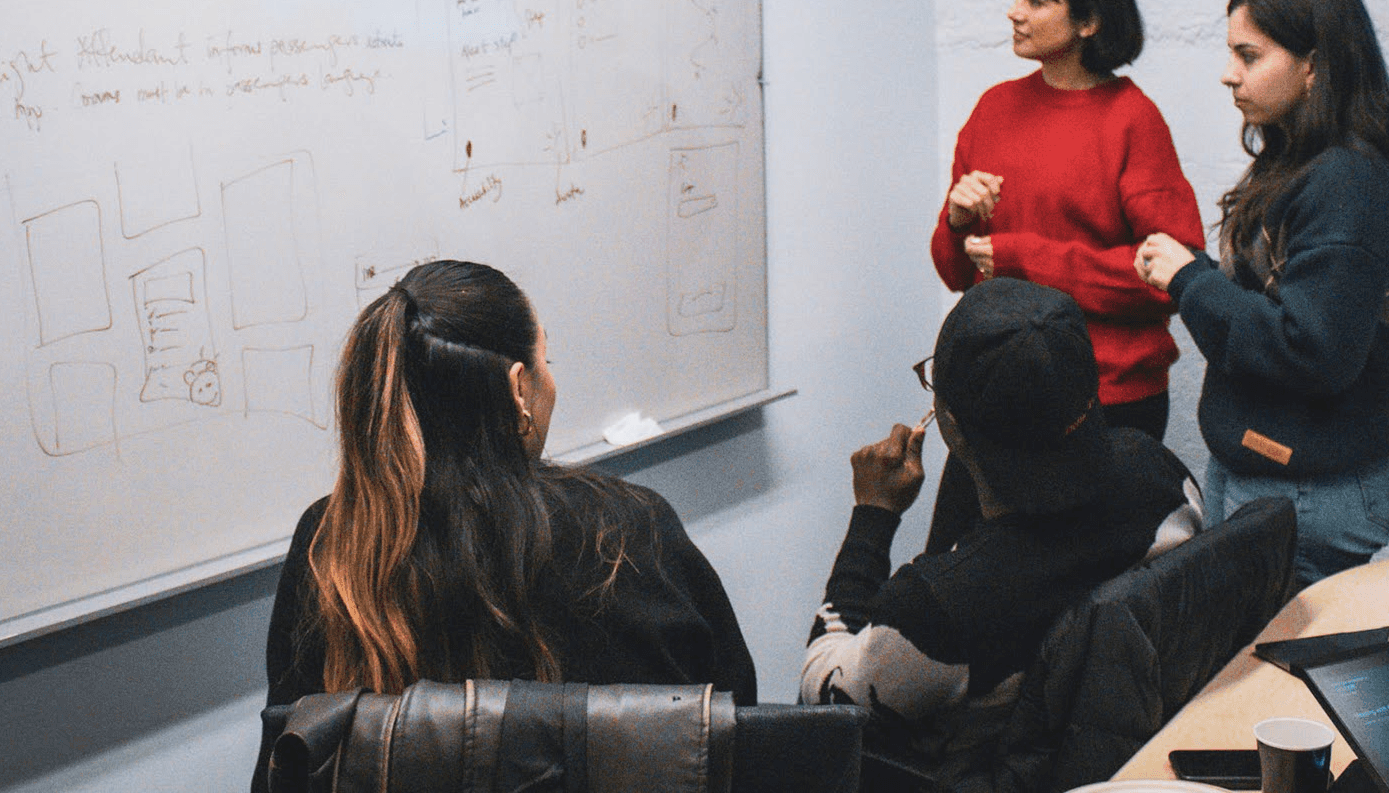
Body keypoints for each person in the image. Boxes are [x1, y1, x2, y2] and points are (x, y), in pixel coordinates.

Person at [265, 259, 757, 705]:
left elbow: (290, 752)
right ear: (518, 386)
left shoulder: (334, 541)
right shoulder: (629, 530)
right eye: (547, 359)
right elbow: (731, 726)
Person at [801, 279, 1201, 766]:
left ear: (950, 425)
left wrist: (872, 516)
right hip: (1139, 759)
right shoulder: (1160, 472)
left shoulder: (939, 610)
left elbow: (823, 705)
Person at [1136, 0, 1389, 587]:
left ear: (1315, 67)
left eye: (1249, 55)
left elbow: (1314, 351)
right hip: (1275, 472)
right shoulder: (1303, 163)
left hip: (1311, 490)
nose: (1229, 73)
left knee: (1273, 669)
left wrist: (1190, 279)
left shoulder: (1345, 182)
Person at [933, 0, 1203, 441]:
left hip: (1104, 398)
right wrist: (957, 219)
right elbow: (954, 272)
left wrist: (1027, 260)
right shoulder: (994, 107)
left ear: (1088, 21)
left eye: (1035, 1)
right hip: (997, 388)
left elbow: (1169, 275)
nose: (1014, 13)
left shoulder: (1131, 120)